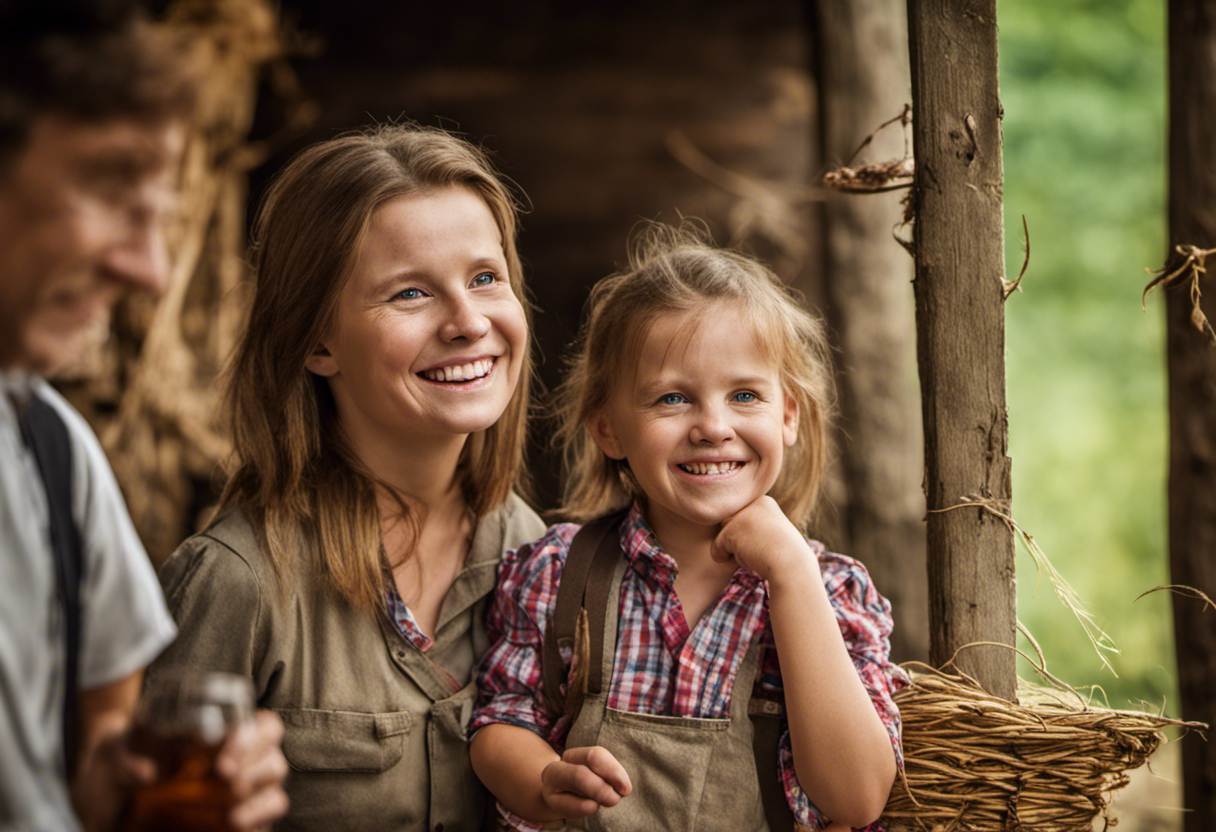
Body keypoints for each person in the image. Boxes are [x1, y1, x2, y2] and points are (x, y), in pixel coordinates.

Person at [146, 124, 547, 830]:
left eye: (486, 278)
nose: (467, 322)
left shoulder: (530, 551)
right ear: (317, 341)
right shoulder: (236, 584)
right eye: (410, 294)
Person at [470, 227, 909, 831]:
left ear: (788, 416)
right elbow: (501, 723)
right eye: (673, 399)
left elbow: (856, 798)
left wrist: (790, 575)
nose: (713, 426)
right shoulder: (559, 572)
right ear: (609, 430)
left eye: (745, 394)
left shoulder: (829, 593)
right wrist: (544, 780)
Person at [0, 4, 288, 831]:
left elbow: (92, 759)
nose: (152, 268)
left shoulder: (52, 453)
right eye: (109, 181)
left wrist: (140, 799)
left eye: (159, 211)